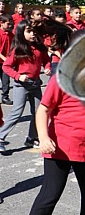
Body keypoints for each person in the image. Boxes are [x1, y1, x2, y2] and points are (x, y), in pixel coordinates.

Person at [15, 31, 85, 215]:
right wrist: (43, 137)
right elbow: (43, 109)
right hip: (59, 146)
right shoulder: (61, 77)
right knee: (51, 193)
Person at [0, 20, 51, 152]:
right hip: (21, 85)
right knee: (17, 111)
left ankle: (32, 138)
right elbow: (6, 66)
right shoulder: (18, 49)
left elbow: (46, 60)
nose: (33, 34)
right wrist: (18, 76)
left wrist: (47, 67)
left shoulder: (39, 48)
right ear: (22, 33)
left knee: (38, 112)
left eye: (34, 31)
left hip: (35, 84)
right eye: (29, 31)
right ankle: (0, 136)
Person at [0, 14, 14, 105]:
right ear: (1, 23)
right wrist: (4, 58)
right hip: (2, 59)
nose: (10, 26)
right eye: (8, 24)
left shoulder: (11, 35)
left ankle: (5, 97)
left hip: (5, 63)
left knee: (6, 81)